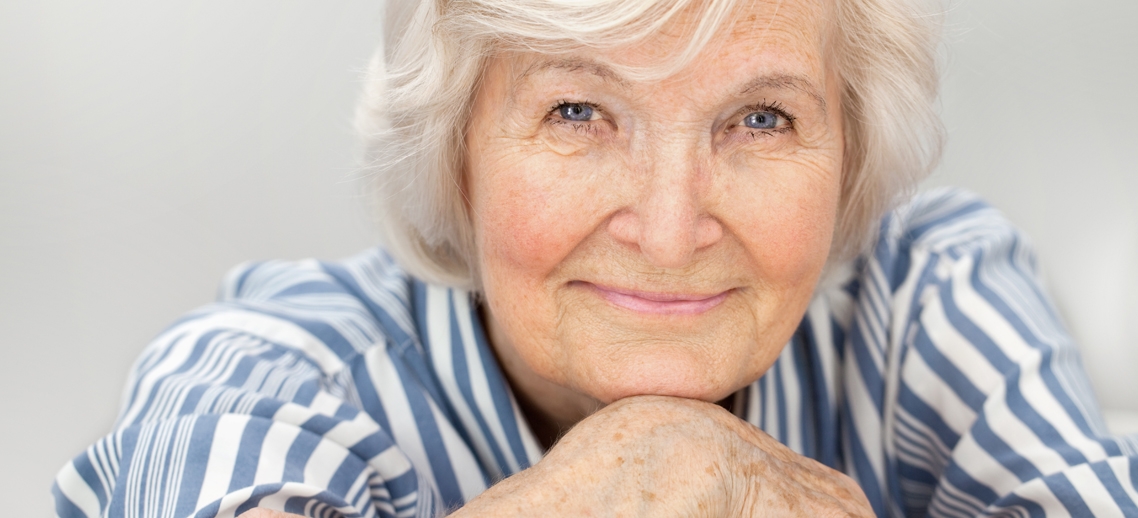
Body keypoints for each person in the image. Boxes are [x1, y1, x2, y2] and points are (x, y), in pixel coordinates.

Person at [53, 0, 1138, 516]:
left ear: (848, 150)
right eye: (577, 110)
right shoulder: (261, 377)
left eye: (759, 120)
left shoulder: (925, 293)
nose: (669, 231)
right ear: (457, 152)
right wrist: (645, 474)